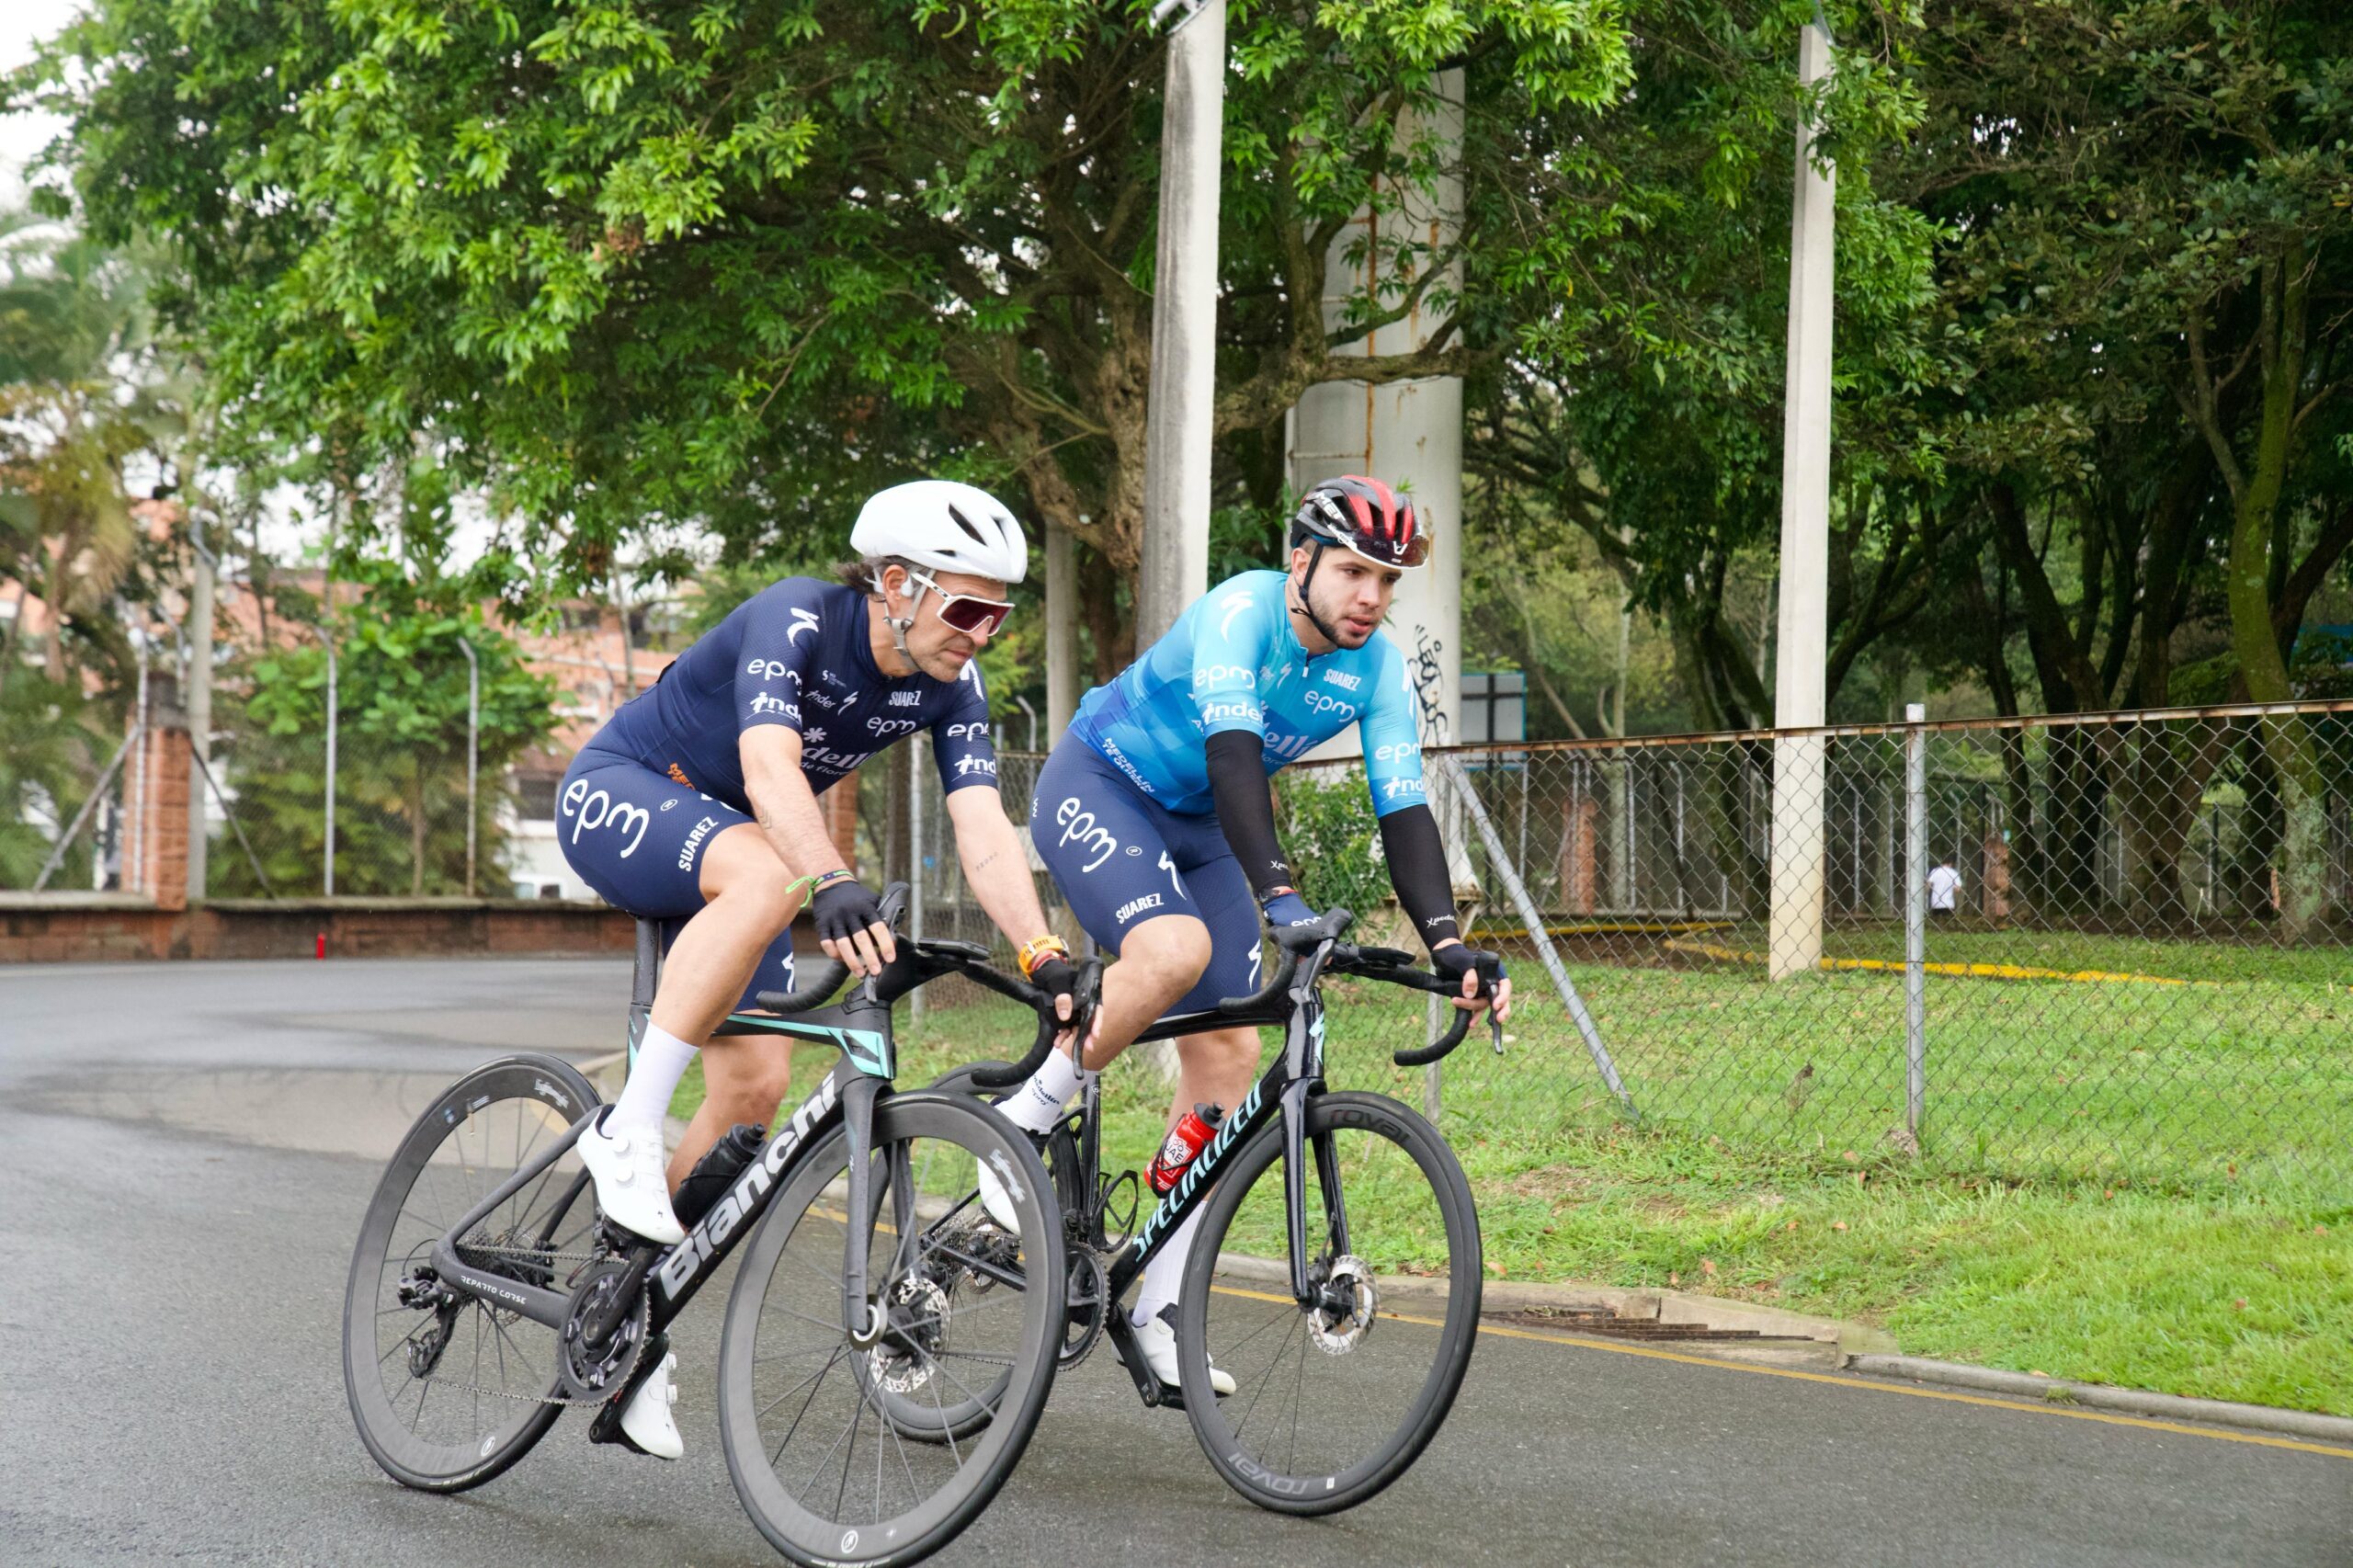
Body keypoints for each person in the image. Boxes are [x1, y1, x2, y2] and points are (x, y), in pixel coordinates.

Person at [555, 480, 1081, 1458]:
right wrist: (830, 874)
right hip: (625, 794)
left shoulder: (951, 686)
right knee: (771, 873)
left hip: (741, 852)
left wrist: (1041, 949)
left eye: (996, 616)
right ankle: (626, 1127)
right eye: (966, 608)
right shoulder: (796, 614)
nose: (981, 633)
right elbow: (767, 766)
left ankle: (621, 1310)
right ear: (896, 584)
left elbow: (981, 826)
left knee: (754, 1091)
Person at [989, 474, 1510, 1397]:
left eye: (1387, 581)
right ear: (1299, 560)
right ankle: (1025, 1113)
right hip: (1102, 784)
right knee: (1173, 952)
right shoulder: (1238, 613)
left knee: (1228, 1061)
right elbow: (1233, 758)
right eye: (1354, 571)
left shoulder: (1375, 670)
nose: (1371, 597)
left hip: (1195, 829)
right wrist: (1278, 894)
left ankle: (1155, 1306)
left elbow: (1403, 811)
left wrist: (1448, 946)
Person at [1927, 856, 1963, 922]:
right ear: (1950, 864)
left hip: (1935, 902)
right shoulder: (1954, 873)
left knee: (1935, 921)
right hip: (1948, 903)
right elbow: (1957, 889)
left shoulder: (1935, 871)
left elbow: (1929, 884)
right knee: (1948, 921)